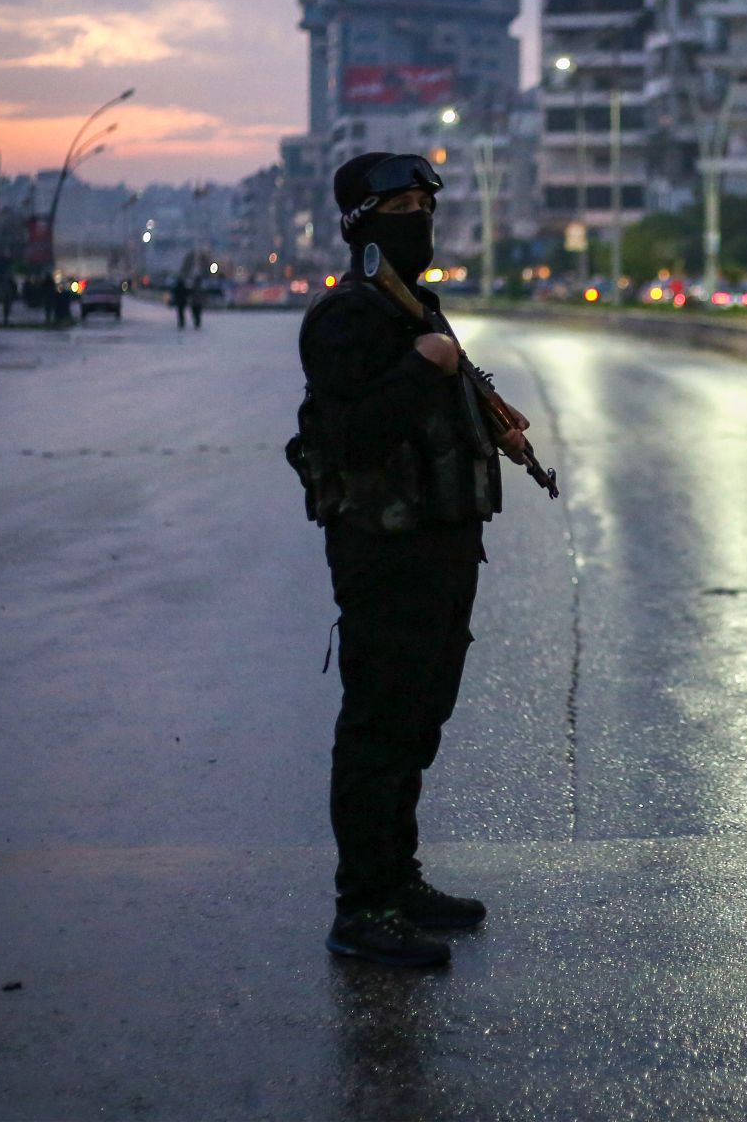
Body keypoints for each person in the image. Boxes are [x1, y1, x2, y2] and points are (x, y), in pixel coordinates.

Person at [294, 151, 531, 968]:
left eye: (424, 202)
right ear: (361, 224)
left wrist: (488, 416)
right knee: (379, 725)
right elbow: (357, 438)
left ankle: (398, 880)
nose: (418, 218)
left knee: (419, 720)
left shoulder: (414, 305)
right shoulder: (349, 317)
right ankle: (363, 906)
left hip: (442, 543)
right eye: (398, 205)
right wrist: (420, 367)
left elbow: (440, 402)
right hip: (383, 547)